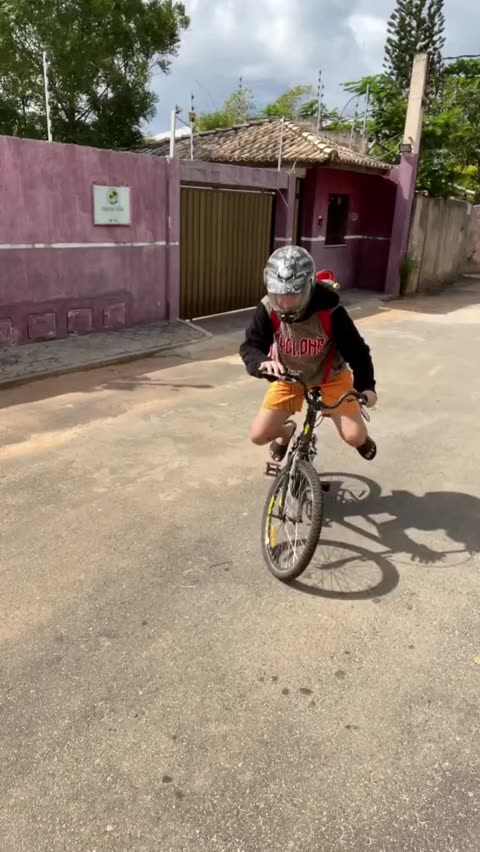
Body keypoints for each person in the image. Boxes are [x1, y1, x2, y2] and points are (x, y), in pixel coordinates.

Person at [239, 245, 377, 463]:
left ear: (308, 289)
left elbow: (358, 351)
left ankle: (360, 438)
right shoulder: (268, 308)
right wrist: (262, 362)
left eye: (293, 296)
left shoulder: (330, 310)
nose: (284, 304)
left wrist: (366, 386)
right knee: (258, 435)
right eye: (278, 295)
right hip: (289, 376)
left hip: (331, 377)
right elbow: (250, 346)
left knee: (354, 436)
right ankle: (286, 432)